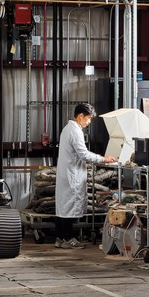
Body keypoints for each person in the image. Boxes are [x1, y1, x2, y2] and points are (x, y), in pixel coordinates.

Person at [54, 103, 117, 249]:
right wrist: (103, 158)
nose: (89, 122)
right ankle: (68, 239)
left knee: (64, 207)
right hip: (72, 175)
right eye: (88, 119)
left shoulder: (67, 128)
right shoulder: (75, 131)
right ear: (81, 116)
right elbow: (83, 154)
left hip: (67, 173)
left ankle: (60, 238)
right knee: (69, 207)